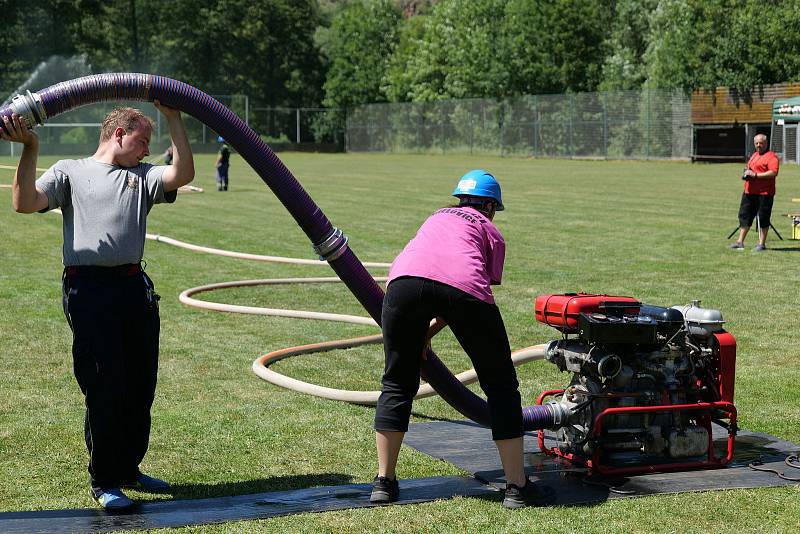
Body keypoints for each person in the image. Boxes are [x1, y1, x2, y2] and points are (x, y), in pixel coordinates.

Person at [1, 102, 195, 510]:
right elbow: (24, 202)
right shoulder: (70, 171)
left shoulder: (141, 177)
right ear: (118, 134)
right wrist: (30, 147)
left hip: (133, 289)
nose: (146, 151)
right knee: (104, 382)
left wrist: (175, 117)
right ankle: (104, 479)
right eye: (143, 140)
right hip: (88, 291)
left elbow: (183, 173)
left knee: (141, 384)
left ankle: (128, 469)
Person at [371, 170, 551, 509]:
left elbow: (432, 282)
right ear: (489, 206)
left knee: (396, 382)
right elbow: (465, 288)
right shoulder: (489, 229)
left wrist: (423, 332)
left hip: (402, 284)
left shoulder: (435, 217)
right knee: (500, 385)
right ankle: (517, 486)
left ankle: (384, 481)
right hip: (460, 290)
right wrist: (429, 329)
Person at [729, 133, 780, 251]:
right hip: (749, 191)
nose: (758, 145)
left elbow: (773, 172)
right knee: (745, 215)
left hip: (764, 193)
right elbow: (750, 167)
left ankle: (761, 244)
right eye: (756, 143)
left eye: (761, 143)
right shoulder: (754, 155)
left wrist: (755, 175)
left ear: (766, 144)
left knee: (763, 217)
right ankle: (740, 242)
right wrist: (747, 172)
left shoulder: (771, 157)